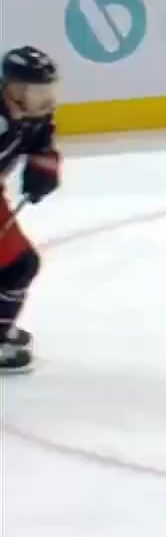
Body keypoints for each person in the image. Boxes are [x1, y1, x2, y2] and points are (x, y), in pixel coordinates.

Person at [0, 45, 62, 375]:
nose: (46, 99)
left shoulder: (32, 115)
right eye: (37, 91)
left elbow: (42, 143)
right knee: (18, 266)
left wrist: (44, 166)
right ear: (13, 88)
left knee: (14, 265)